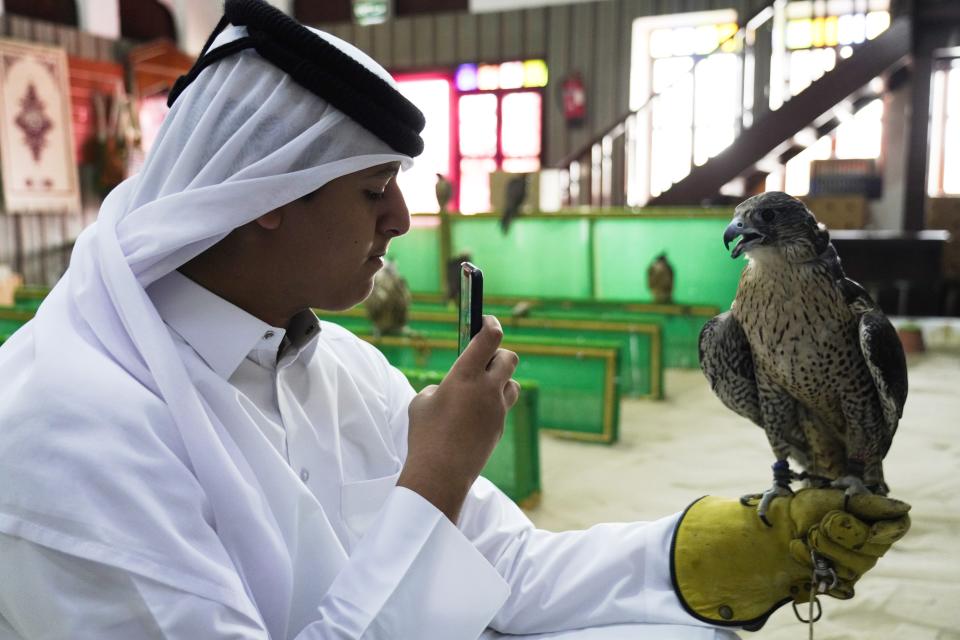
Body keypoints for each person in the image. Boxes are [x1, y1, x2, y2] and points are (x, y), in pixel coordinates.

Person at [0, 1, 910, 638]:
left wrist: (711, 555)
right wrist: (429, 480)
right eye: (372, 191)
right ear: (264, 196)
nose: (400, 221)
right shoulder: (71, 427)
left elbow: (503, 569)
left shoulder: (336, 366)